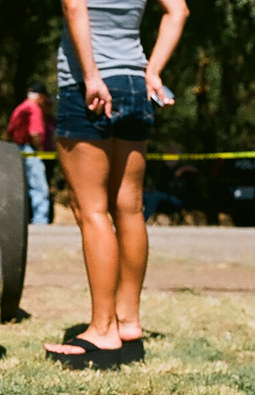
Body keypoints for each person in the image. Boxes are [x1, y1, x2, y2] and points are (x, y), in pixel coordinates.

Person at [44, 0, 188, 369]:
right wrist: (152, 71)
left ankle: (102, 329)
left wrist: (91, 76)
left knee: (91, 210)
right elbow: (178, 11)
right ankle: (128, 324)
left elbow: (75, 8)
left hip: (88, 86)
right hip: (135, 84)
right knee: (130, 206)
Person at [6, 82, 54, 225]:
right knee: (39, 187)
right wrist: (39, 150)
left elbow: (9, 131)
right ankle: (41, 221)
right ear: (40, 97)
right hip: (30, 150)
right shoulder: (34, 109)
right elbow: (35, 132)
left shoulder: (20, 108)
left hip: (17, 149)